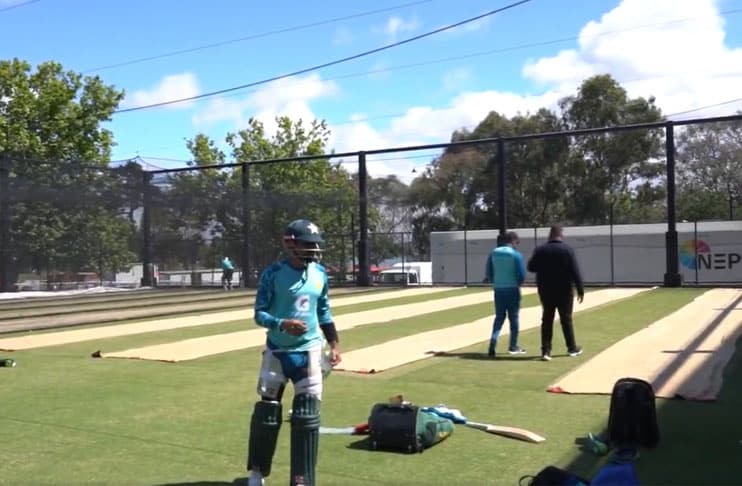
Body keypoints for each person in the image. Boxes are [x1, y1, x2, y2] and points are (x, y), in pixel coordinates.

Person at [246, 219, 341, 486]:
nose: (313, 250)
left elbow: (323, 311)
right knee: (267, 414)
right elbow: (259, 314)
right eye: (307, 244)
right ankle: (257, 472)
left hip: (309, 352)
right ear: (290, 244)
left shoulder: (320, 274)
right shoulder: (272, 274)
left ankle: (302, 480)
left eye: (315, 245)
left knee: (307, 416)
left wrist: (334, 344)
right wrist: (282, 324)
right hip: (277, 351)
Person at [527, 225, 584, 361]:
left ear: (550, 235)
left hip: (546, 290)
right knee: (566, 319)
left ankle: (546, 351)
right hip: (564, 291)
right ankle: (571, 348)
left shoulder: (540, 250)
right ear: (561, 235)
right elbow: (575, 271)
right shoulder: (568, 250)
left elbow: (531, 267)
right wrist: (580, 289)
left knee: (547, 319)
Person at [485, 231, 527, 357]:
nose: (516, 246)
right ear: (513, 241)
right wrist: (518, 283)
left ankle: (493, 343)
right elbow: (522, 274)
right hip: (512, 289)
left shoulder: (493, 253)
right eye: (516, 243)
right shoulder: (516, 255)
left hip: (498, 289)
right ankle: (513, 346)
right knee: (513, 318)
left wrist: (496, 281)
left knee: (499, 317)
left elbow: (488, 272)